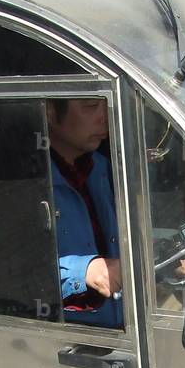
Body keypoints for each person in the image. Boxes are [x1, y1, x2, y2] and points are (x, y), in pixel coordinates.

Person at [47, 98, 124, 329]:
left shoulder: (103, 167)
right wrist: (85, 271)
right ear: (50, 112)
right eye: (90, 106)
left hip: (119, 325)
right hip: (65, 335)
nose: (104, 118)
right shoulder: (20, 180)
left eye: (107, 106)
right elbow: (4, 272)